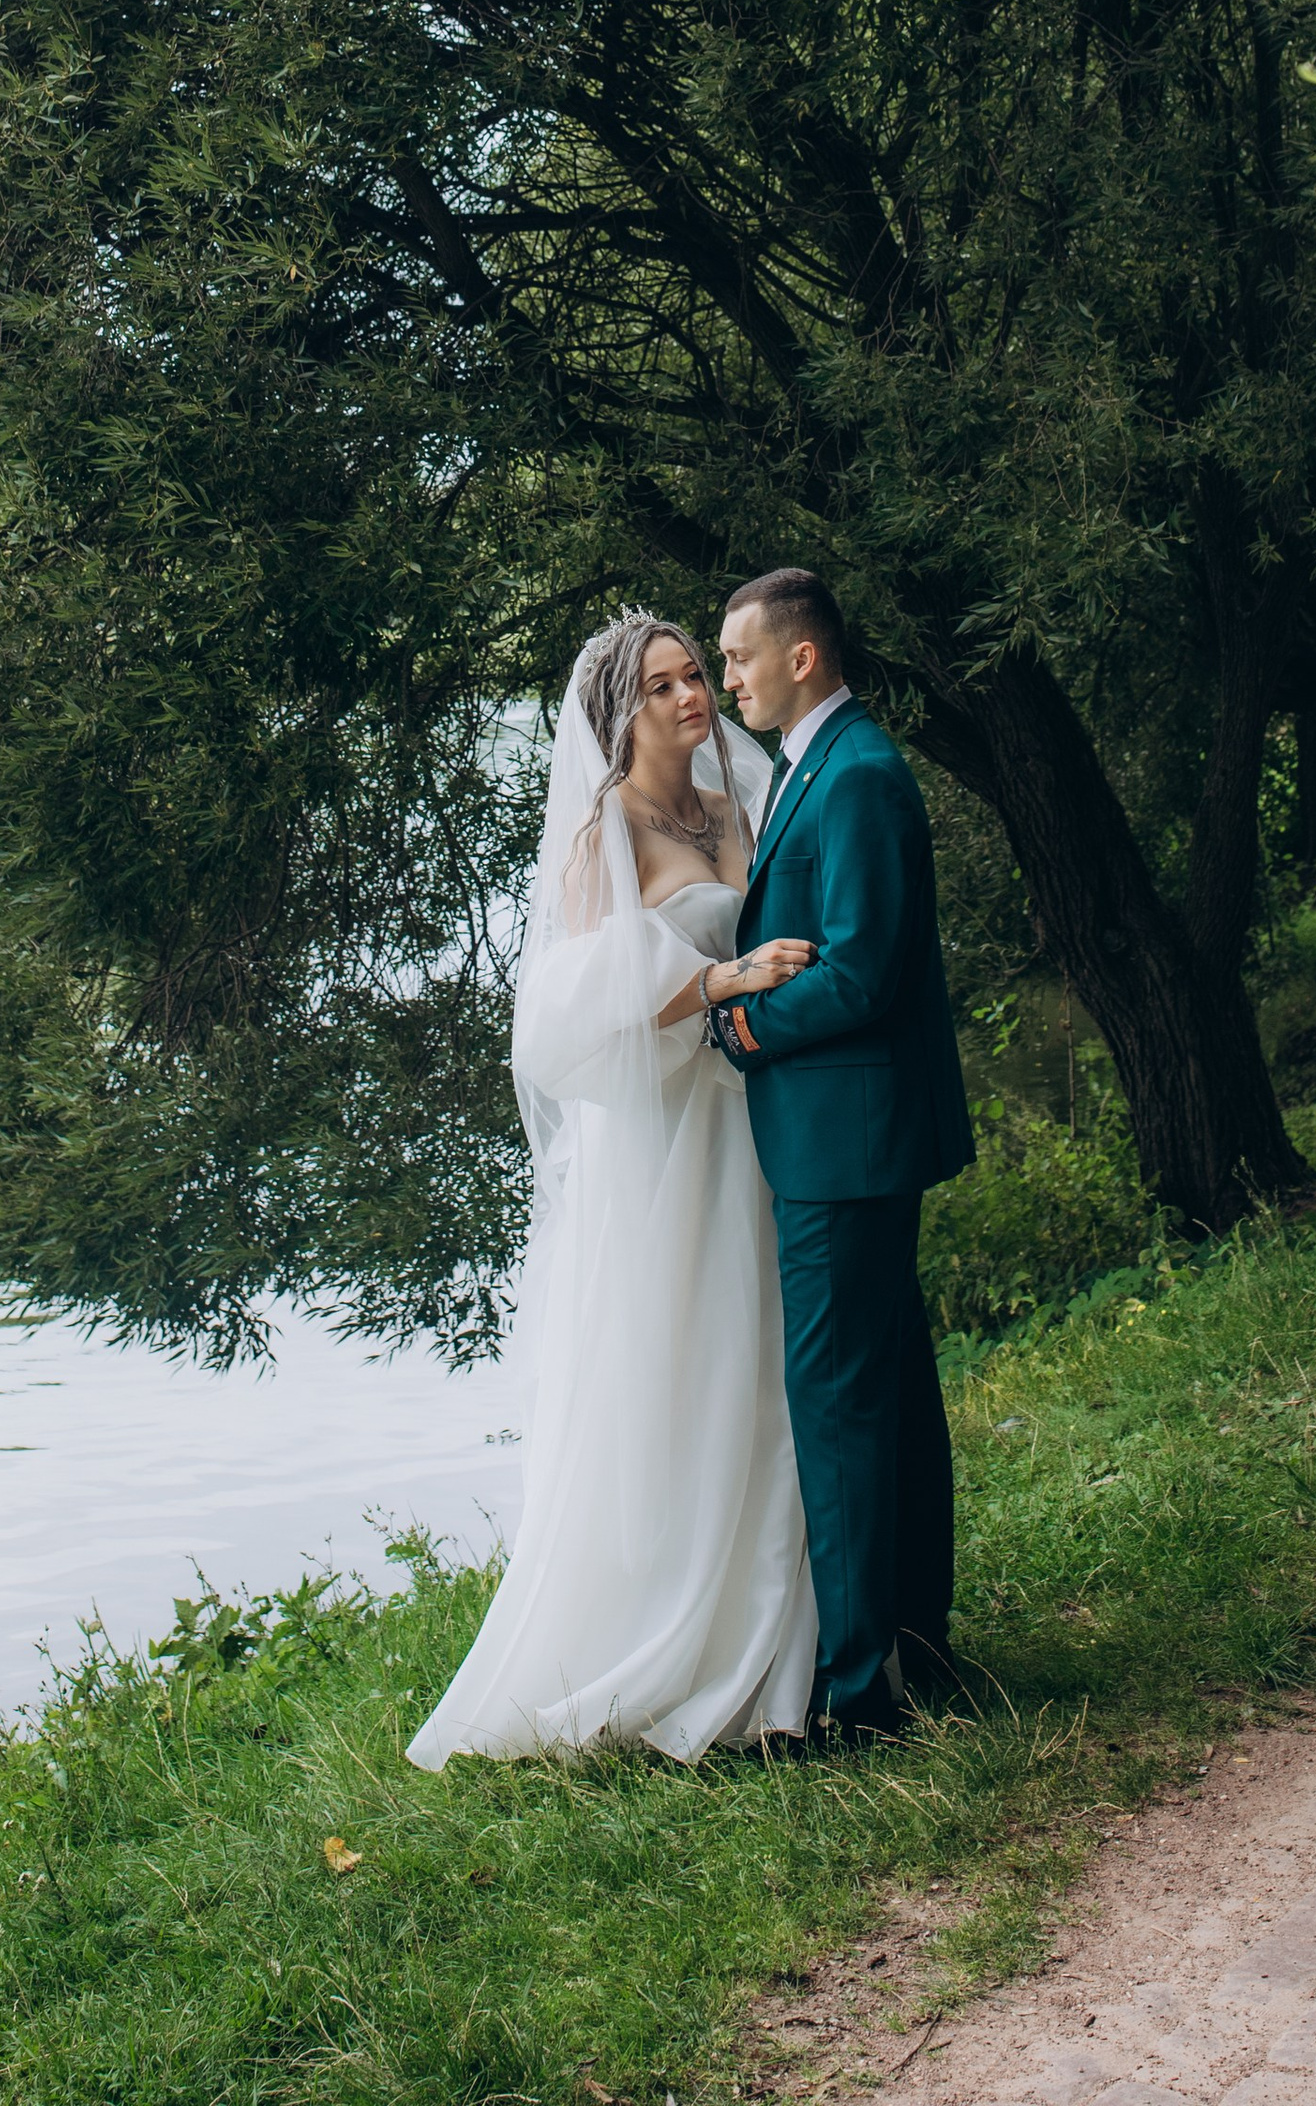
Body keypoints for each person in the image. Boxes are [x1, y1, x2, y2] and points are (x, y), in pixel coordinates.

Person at [407, 609, 822, 1765]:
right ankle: (677, 1647)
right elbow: (562, 1023)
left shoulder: (741, 805)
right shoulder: (606, 833)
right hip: (673, 1140)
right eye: (663, 686)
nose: (692, 697)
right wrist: (723, 978)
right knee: (695, 1369)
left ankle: (797, 1651)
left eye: (698, 675)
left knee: (778, 1371)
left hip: (761, 1116)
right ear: (617, 716)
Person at [708, 566, 976, 1742]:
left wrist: (746, 1023)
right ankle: (914, 1647)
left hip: (844, 1146)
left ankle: (862, 1695)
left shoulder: (856, 775)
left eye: (737, 660)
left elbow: (862, 971)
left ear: (800, 657)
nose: (726, 681)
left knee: (840, 1407)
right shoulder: (816, 765)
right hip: (846, 1137)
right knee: (890, 1399)